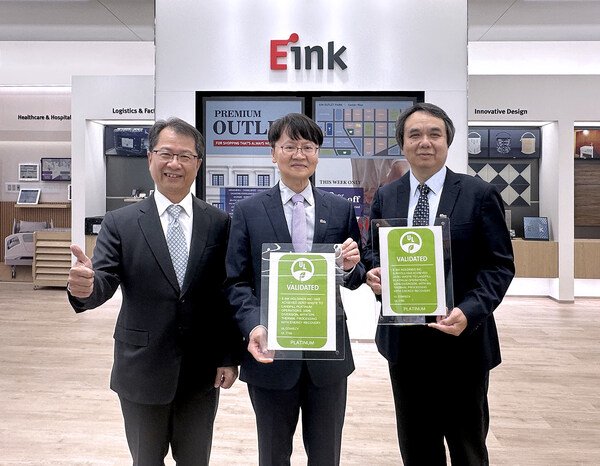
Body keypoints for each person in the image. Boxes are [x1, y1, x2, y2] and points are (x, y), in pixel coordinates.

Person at [67, 117, 240, 466]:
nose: (174, 163)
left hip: (200, 371)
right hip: (141, 369)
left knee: (196, 461)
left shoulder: (219, 223)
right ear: (150, 158)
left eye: (185, 156)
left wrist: (228, 355)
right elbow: (104, 280)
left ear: (198, 164)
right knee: (145, 461)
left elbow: (225, 294)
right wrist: (85, 287)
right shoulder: (121, 222)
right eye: (166, 154)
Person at [364, 103, 515, 465]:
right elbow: (373, 251)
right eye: (415, 134)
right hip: (405, 345)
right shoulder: (387, 195)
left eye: (435, 134)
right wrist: (373, 273)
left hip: (462, 343)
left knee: (468, 449)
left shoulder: (479, 194)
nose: (425, 142)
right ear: (402, 143)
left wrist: (470, 311)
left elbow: (499, 265)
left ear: (448, 141)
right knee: (417, 449)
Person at [225, 113, 366, 466]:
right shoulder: (248, 211)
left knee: (326, 456)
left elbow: (355, 273)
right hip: (271, 353)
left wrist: (350, 267)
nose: (299, 154)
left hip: (328, 357)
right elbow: (236, 281)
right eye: (289, 146)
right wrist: (253, 325)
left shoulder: (339, 209)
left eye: (308, 147)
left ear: (317, 154)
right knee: (273, 456)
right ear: (273, 153)